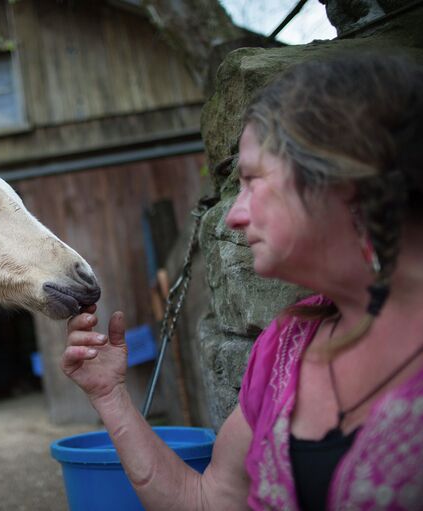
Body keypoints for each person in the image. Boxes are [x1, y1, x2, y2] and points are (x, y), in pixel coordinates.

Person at [62, 53, 423, 510]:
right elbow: (207, 501)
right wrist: (111, 397)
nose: (233, 215)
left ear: (342, 173)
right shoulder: (286, 347)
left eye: (252, 180)